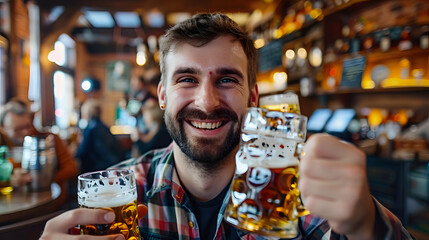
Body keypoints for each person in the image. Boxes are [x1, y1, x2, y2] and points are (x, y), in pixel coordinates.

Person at [40, 13, 413, 240]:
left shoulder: (300, 192)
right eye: (187, 78)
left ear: (253, 98)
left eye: (226, 80)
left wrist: (368, 226)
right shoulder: (120, 190)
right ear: (163, 96)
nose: (206, 102)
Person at [0, 99, 78, 204]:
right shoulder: (3, 148)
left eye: (28, 126)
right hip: (12, 203)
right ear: (3, 128)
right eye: (18, 129)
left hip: (50, 201)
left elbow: (71, 168)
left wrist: (41, 180)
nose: (25, 132)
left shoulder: (49, 139)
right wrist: (10, 180)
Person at [75, 98, 126, 173]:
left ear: (87, 113)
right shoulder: (105, 127)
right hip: (113, 166)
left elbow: (82, 152)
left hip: (97, 170)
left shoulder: (90, 128)